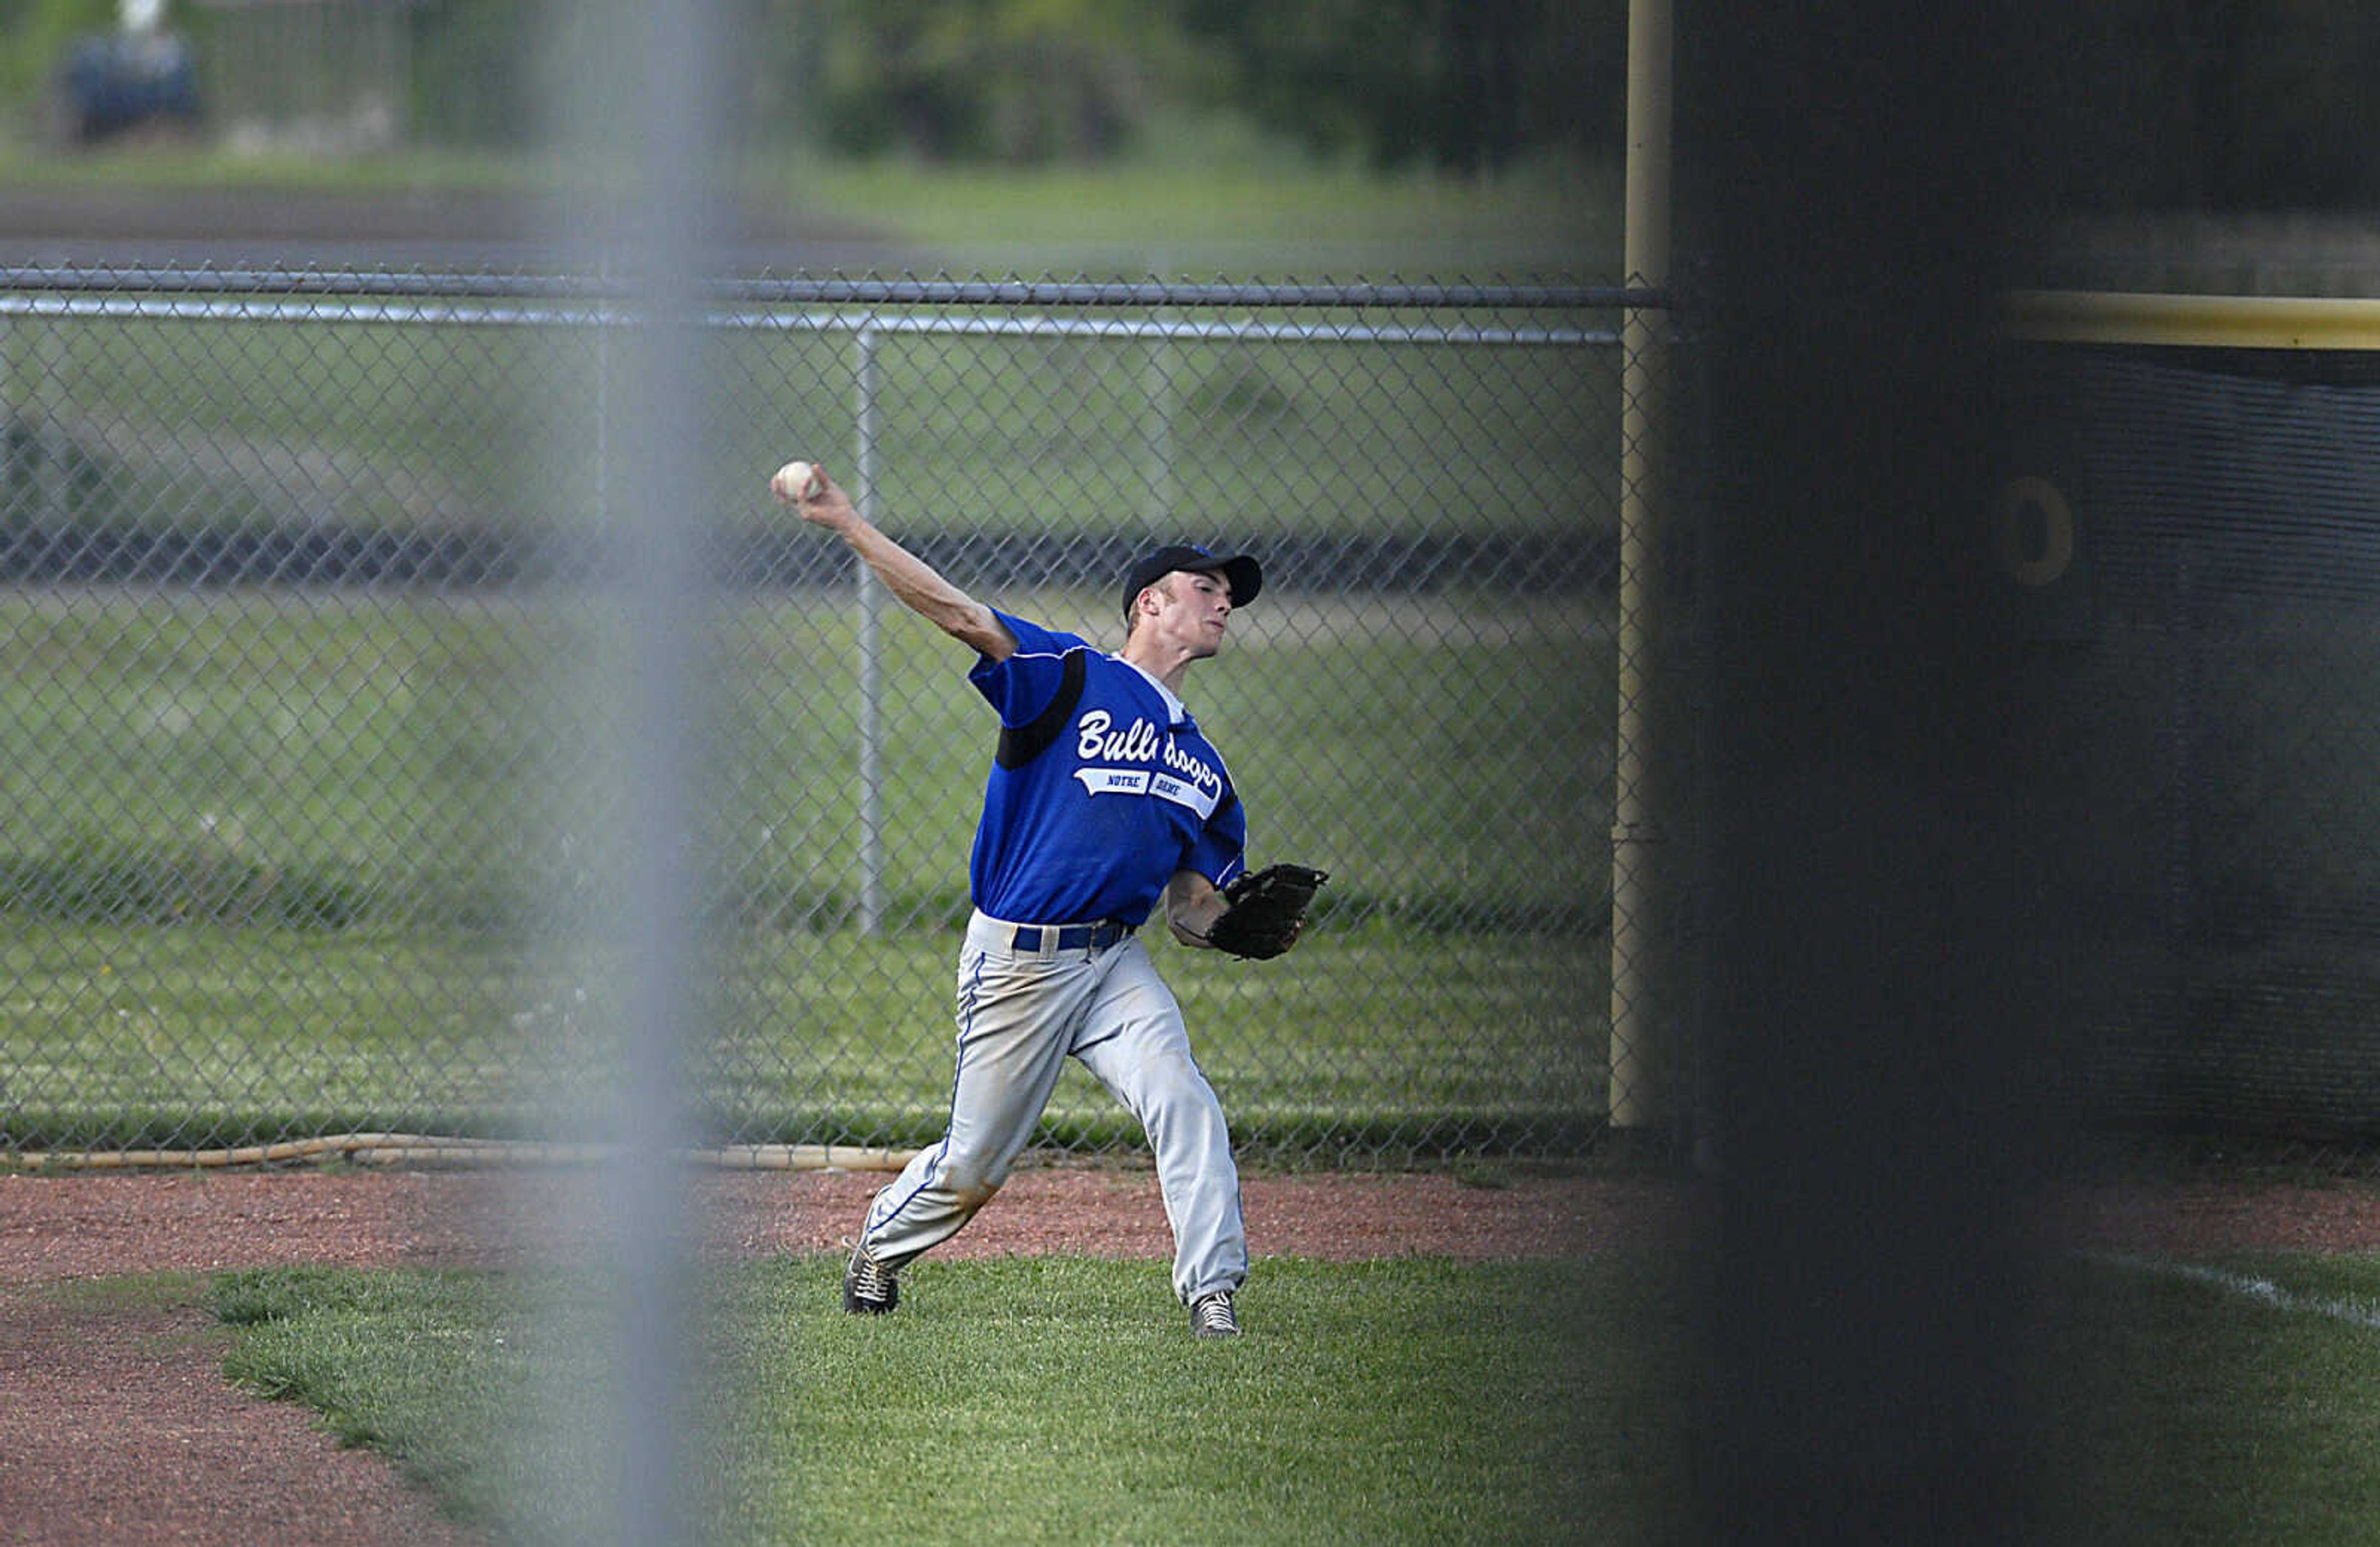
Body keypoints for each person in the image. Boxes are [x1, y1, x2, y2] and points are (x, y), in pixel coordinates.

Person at [774, 462, 1292, 1339]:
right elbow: (962, 615)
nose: (1223, 603)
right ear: (1149, 607)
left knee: (1182, 1096)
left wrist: (1231, 926)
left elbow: (1188, 910)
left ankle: (1214, 1294)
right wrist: (849, 525)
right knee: (973, 1167)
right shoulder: (1070, 676)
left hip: (1114, 962)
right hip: (1020, 959)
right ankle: (880, 1244)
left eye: (1228, 594)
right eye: (1203, 588)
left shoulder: (1205, 771)